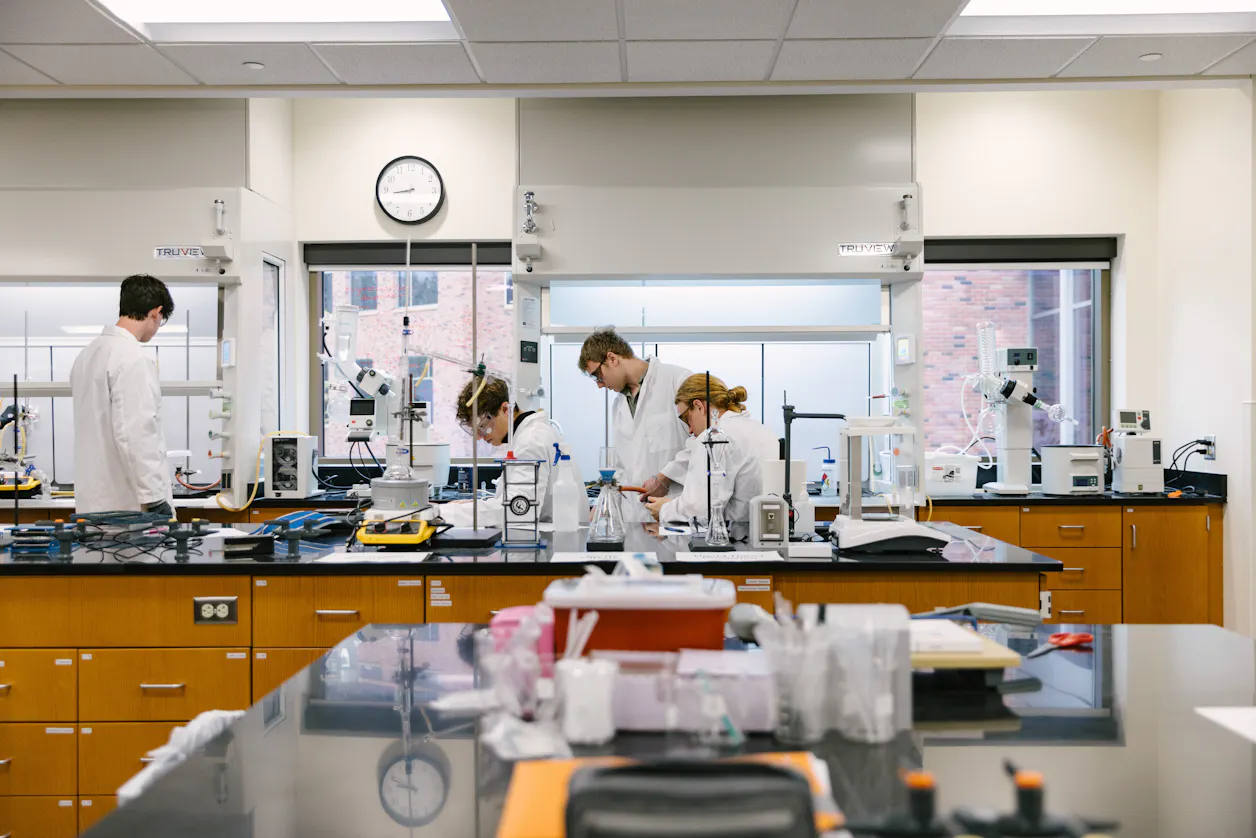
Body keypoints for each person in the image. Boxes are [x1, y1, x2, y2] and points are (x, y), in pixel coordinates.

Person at [70, 274, 175, 516]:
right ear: (156, 312)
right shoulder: (132, 358)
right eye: (161, 320)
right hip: (129, 511)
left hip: (93, 504)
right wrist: (155, 498)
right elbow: (135, 434)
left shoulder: (88, 355)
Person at [577, 327, 691, 521]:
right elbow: (623, 467)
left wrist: (665, 477)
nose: (599, 384)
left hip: (673, 510)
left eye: (597, 375)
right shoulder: (619, 405)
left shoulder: (677, 380)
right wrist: (604, 505)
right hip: (634, 516)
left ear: (612, 358)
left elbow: (702, 443)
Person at [646, 374, 780, 526]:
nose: (689, 429)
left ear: (699, 406)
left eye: (686, 418)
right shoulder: (763, 431)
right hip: (765, 533)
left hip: (731, 540)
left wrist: (664, 509)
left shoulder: (713, 437)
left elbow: (698, 510)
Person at [446, 375, 576, 525]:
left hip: (553, 541)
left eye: (483, 427)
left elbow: (518, 510)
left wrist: (446, 514)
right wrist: (472, 506)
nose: (479, 438)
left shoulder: (531, 441)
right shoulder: (528, 436)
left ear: (505, 409)